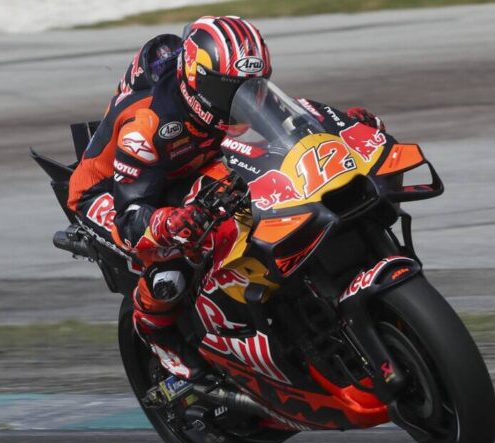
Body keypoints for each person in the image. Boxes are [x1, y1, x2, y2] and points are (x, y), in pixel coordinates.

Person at [67, 15, 385, 382]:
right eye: (228, 91)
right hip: (110, 192)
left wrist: (344, 127)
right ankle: (154, 328)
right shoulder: (147, 126)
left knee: (261, 201)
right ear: (195, 80)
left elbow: (293, 123)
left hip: (190, 164)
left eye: (251, 88)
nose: (242, 100)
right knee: (173, 255)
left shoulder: (231, 94)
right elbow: (131, 217)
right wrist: (166, 222)